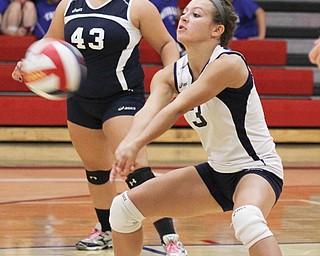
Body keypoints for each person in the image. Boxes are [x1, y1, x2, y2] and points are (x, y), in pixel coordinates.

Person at [11, 0, 187, 255]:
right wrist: (28, 66)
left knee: (135, 168)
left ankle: (170, 238)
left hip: (122, 97)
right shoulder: (68, 6)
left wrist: (172, 75)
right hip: (80, 99)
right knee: (96, 170)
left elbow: (166, 43)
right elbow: (48, 46)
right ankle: (105, 230)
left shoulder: (136, 6)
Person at [109, 0, 284, 256]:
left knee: (247, 219)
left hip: (257, 169)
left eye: (196, 14)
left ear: (217, 30)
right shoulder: (169, 75)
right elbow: (148, 111)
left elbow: (176, 108)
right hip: (217, 172)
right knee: (122, 209)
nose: (184, 17)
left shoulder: (229, 64)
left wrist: (135, 144)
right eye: (185, 12)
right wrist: (128, 142)